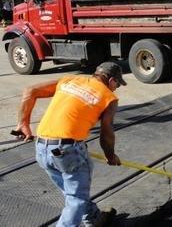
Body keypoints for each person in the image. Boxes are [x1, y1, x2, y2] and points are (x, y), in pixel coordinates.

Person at [14, 62, 125, 226]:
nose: (116, 88)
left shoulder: (69, 80)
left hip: (42, 147)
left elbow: (30, 91)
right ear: (111, 81)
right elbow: (106, 132)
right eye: (117, 84)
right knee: (77, 198)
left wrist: (23, 123)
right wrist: (110, 156)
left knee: (71, 190)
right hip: (68, 150)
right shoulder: (109, 97)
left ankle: (93, 218)